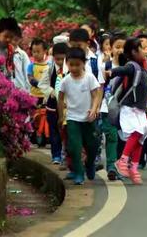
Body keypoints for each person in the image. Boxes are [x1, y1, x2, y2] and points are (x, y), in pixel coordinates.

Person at [108, 38, 147, 185]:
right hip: (129, 108)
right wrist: (111, 72)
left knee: (141, 136)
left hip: (139, 109)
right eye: (142, 49)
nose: (146, 51)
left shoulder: (143, 68)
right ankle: (123, 160)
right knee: (137, 132)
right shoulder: (132, 66)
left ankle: (133, 167)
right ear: (134, 52)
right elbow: (122, 70)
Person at [58, 48, 102, 185]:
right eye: (71, 64)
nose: (74, 68)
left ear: (83, 63)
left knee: (92, 145)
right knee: (74, 147)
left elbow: (96, 95)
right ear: (67, 64)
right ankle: (78, 172)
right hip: (72, 119)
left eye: (77, 64)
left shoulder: (89, 78)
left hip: (88, 119)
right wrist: (61, 116)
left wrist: (93, 110)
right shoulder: (65, 81)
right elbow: (60, 98)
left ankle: (90, 164)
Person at [97, 32, 127, 181]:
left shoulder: (131, 67)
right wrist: (96, 106)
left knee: (123, 139)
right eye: (117, 47)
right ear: (111, 48)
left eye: (123, 47)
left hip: (126, 109)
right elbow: (100, 88)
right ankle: (111, 167)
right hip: (107, 108)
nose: (120, 50)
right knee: (111, 136)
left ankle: (120, 165)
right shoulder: (105, 66)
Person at [38, 42, 69, 164]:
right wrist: (51, 91)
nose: (60, 61)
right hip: (52, 105)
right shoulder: (49, 69)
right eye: (57, 59)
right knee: (54, 130)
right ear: (53, 57)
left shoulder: (70, 69)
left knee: (66, 131)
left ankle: (67, 155)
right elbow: (42, 84)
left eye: (63, 59)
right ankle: (56, 155)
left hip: (67, 105)